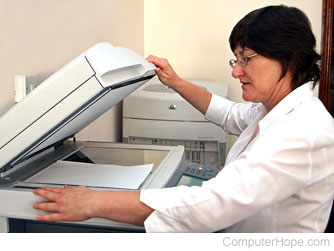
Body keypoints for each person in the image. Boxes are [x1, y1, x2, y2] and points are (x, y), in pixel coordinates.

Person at [33, 5, 334, 233]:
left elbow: (213, 204)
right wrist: (175, 81)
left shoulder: (305, 131)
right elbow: (230, 115)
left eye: (246, 58)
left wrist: (93, 202)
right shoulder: (274, 107)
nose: (236, 71)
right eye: (236, 59)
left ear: (288, 57)